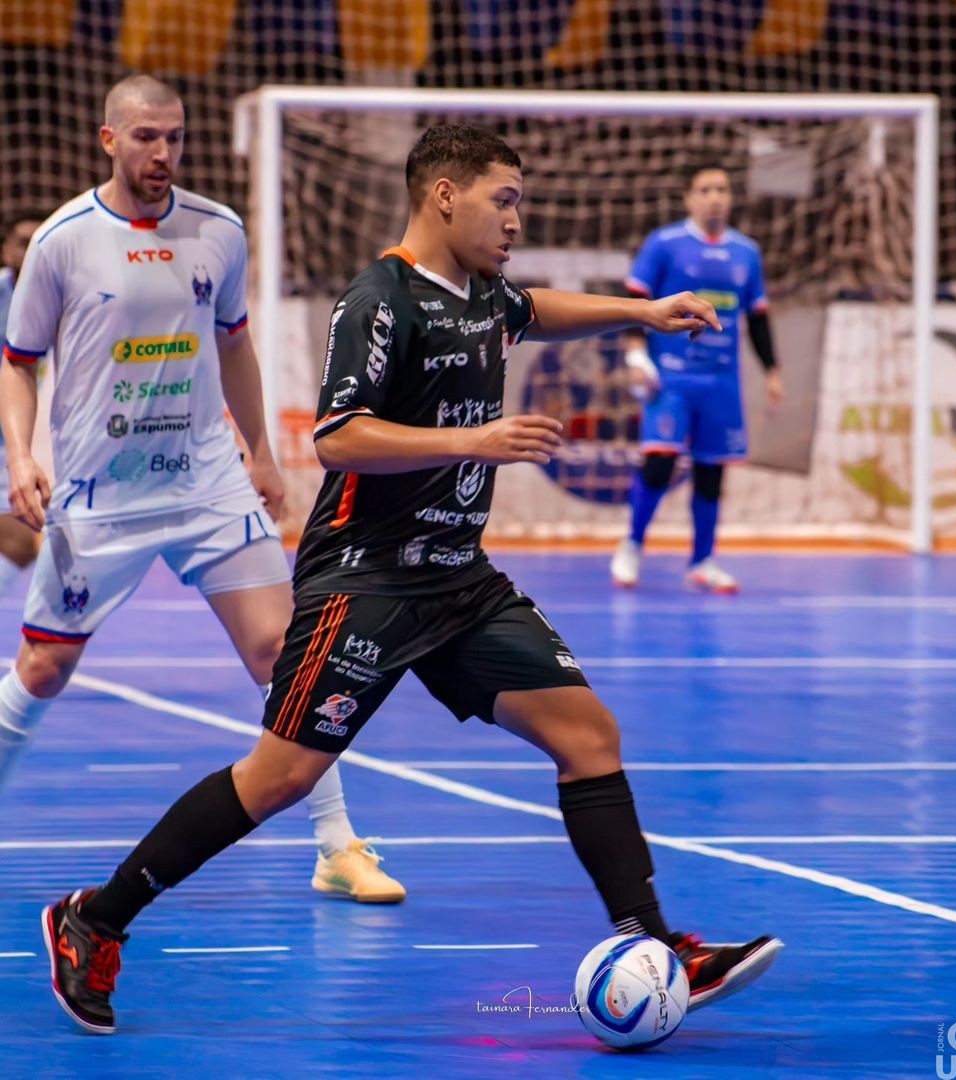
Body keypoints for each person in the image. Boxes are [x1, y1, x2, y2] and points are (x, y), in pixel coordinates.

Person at [41, 123, 781, 1035]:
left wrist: (641, 311)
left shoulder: (481, 293)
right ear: (443, 194)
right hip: (368, 582)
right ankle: (93, 918)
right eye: (503, 199)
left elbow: (531, 308)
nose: (517, 218)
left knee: (589, 735)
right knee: (277, 778)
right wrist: (475, 441)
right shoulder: (380, 299)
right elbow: (338, 437)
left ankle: (658, 945)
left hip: (459, 581)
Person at [0, 75, 403, 909]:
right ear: (109, 139)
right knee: (43, 667)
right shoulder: (63, 241)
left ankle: (336, 846)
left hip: (207, 480)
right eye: (146, 137)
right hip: (98, 493)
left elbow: (237, 345)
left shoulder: (219, 230)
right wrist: (19, 457)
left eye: (175, 137)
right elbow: (17, 362)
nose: (163, 153)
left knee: (284, 653)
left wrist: (260, 450)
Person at [611, 167, 784, 593]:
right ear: (689, 197)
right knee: (659, 463)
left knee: (712, 472)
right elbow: (634, 301)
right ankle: (632, 545)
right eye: (705, 189)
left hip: (722, 383)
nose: (715, 197)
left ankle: (703, 560)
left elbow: (757, 317)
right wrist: (636, 354)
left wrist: (773, 371)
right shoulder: (664, 244)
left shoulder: (748, 252)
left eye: (722, 189)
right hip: (671, 380)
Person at [0, 219, 43, 594]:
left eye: (37, 243)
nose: (29, 252)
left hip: (40, 441)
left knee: (24, 537)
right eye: (23, 242)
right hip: (10, 443)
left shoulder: (64, 299)